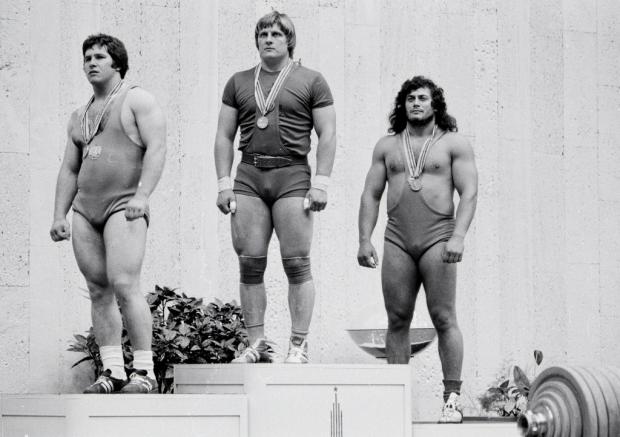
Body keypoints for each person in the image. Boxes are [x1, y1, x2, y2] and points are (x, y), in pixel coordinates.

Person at [214, 11, 336, 364]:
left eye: (276, 34)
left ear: (289, 41)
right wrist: (223, 184)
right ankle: (257, 344)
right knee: (250, 263)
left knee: (296, 262)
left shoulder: (311, 80)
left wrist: (321, 182)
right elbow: (223, 135)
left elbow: (328, 132)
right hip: (249, 175)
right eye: (263, 34)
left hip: (292, 175)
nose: (268, 39)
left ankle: (298, 344)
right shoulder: (238, 82)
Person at [50, 34, 166, 393]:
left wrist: (143, 195)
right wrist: (59, 215)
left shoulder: (137, 100)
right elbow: (70, 169)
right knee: (98, 289)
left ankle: (144, 371)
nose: (91, 62)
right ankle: (113, 370)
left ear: (117, 63)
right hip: (86, 210)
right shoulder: (79, 116)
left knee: (125, 283)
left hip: (124, 204)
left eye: (99, 56)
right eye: (87, 57)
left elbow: (157, 148)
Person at [357, 76, 477, 422]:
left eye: (423, 98)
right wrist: (364, 239)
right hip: (397, 238)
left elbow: (469, 192)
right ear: (403, 105)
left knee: (444, 317)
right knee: (397, 319)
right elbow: (371, 195)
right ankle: (397, 400)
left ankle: (452, 399)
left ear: (435, 104)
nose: (416, 103)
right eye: (410, 98)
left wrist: (459, 236)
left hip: (438, 237)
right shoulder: (387, 146)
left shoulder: (453, 143)